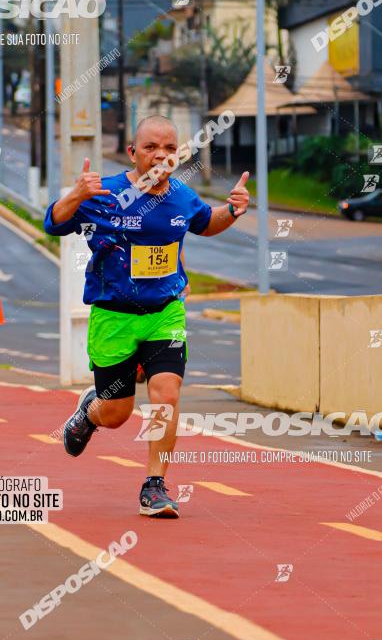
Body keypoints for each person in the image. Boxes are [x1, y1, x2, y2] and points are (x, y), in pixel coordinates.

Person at [43, 115, 249, 518]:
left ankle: (154, 485)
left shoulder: (182, 197)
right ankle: (90, 410)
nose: (161, 155)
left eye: (171, 149)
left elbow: (206, 224)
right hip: (115, 316)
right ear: (132, 152)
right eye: (152, 147)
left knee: (166, 396)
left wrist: (234, 210)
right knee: (116, 413)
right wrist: (75, 194)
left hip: (164, 312)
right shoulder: (105, 195)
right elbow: (54, 222)